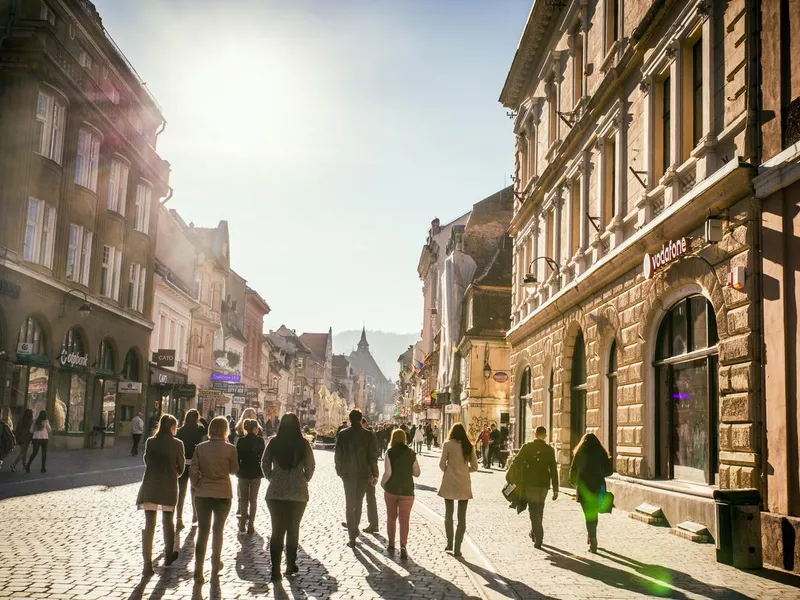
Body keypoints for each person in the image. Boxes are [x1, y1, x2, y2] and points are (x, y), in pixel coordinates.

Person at [261, 413, 316, 581]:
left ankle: (275, 570)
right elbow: (311, 466)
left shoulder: (273, 442)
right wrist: (304, 478)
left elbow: (264, 462)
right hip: (298, 493)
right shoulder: (304, 444)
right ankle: (291, 564)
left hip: (276, 492)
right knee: (293, 529)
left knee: (277, 531)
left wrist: (271, 476)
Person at [190, 416, 239, 582]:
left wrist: (198, 485)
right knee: (218, 530)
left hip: (203, 493)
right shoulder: (230, 449)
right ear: (226, 430)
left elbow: (193, 471)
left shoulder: (200, 448)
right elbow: (234, 470)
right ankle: (216, 562)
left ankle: (198, 570)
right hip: (223, 493)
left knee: (203, 531)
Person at [135, 414, 185, 577]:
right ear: (172, 427)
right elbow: (181, 467)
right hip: (168, 486)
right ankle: (168, 555)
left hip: (150, 486)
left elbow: (147, 460)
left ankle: (147, 564)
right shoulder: (177, 444)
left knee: (149, 524)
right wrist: (173, 473)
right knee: (167, 521)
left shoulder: (151, 441)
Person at [506, 426, 558, 549]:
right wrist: (556, 488)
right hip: (545, 484)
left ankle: (538, 536)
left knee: (534, 509)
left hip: (530, 483)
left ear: (535, 434)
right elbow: (554, 469)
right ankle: (535, 532)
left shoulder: (527, 447)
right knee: (540, 508)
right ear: (545, 435)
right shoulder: (549, 449)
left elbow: (516, 462)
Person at [334, 409, 379, 548]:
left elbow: (338, 455)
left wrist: (340, 471)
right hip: (363, 474)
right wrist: (375, 473)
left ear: (349, 419)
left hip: (348, 474)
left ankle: (351, 536)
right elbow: (373, 457)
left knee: (349, 504)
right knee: (358, 503)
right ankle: (354, 529)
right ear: (361, 420)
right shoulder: (369, 435)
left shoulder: (343, 434)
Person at [438, 423, 478, 557]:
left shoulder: (447, 445)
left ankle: (449, 543)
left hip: (449, 482)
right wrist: (465, 471)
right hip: (463, 483)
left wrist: (449, 471)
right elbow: (475, 467)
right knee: (462, 518)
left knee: (448, 514)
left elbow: (441, 464)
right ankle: (457, 548)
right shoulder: (469, 446)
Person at [569, 432, 613, 553]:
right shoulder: (601, 453)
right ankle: (592, 536)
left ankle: (592, 538)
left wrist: (575, 483)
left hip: (584, 488)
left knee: (589, 514)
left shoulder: (579, 453)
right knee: (593, 514)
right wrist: (599, 473)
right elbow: (609, 471)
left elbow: (572, 474)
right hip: (598, 486)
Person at [382, 428, 420, 559]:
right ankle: (403, 545)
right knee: (405, 520)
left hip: (392, 489)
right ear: (404, 438)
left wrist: (382, 483)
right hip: (407, 490)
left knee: (391, 518)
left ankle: (391, 544)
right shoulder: (411, 453)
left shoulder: (389, 452)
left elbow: (388, 473)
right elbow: (417, 473)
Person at [176, 409, 206, 529]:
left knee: (181, 493)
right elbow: (208, 430)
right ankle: (195, 514)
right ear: (196, 418)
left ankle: (179, 518)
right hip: (195, 464)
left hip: (182, 464)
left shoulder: (180, 431)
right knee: (195, 491)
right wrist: (202, 419)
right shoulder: (199, 430)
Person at [236, 418, 265, 534]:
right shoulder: (260, 441)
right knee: (253, 500)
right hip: (256, 473)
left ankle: (243, 523)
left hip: (243, 473)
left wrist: (238, 470)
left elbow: (237, 458)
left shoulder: (241, 441)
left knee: (244, 499)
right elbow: (262, 457)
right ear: (255, 429)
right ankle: (251, 525)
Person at [361, 418, 380, 534]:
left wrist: (375, 474)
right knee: (355, 500)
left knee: (370, 499)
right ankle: (352, 522)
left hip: (367, 473)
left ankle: (373, 524)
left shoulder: (369, 436)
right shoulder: (369, 436)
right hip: (363, 473)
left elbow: (374, 457)